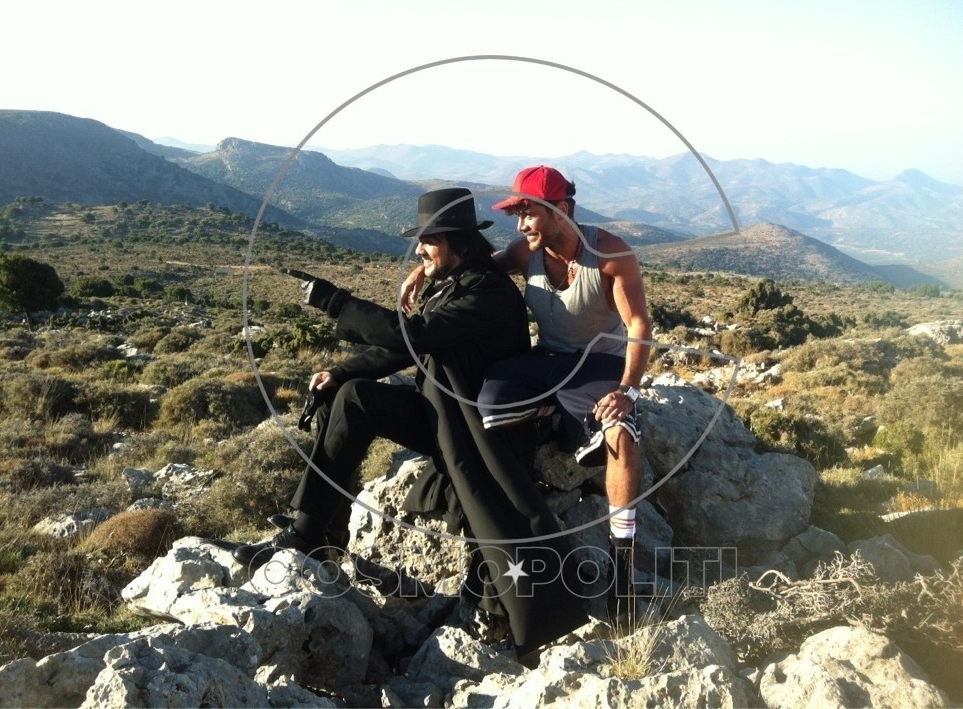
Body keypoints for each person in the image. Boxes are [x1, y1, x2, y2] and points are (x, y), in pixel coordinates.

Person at [236, 187, 587, 656]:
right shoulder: (454, 281)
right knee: (352, 396)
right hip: (440, 415)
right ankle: (314, 531)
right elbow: (410, 347)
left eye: (429, 241)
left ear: (459, 242)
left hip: (470, 431)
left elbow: (415, 337)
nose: (420, 250)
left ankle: (520, 616)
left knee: (501, 516)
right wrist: (340, 372)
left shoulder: (487, 292)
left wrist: (337, 302)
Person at [401, 166, 652, 625]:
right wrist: (423, 268)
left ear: (562, 210)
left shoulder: (610, 254)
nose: (520, 226)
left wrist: (627, 389)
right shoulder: (525, 252)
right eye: (516, 216)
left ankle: (622, 565)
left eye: (528, 213)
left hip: (598, 366)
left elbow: (638, 325)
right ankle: (556, 427)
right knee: (488, 407)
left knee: (620, 434)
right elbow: (475, 268)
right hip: (545, 361)